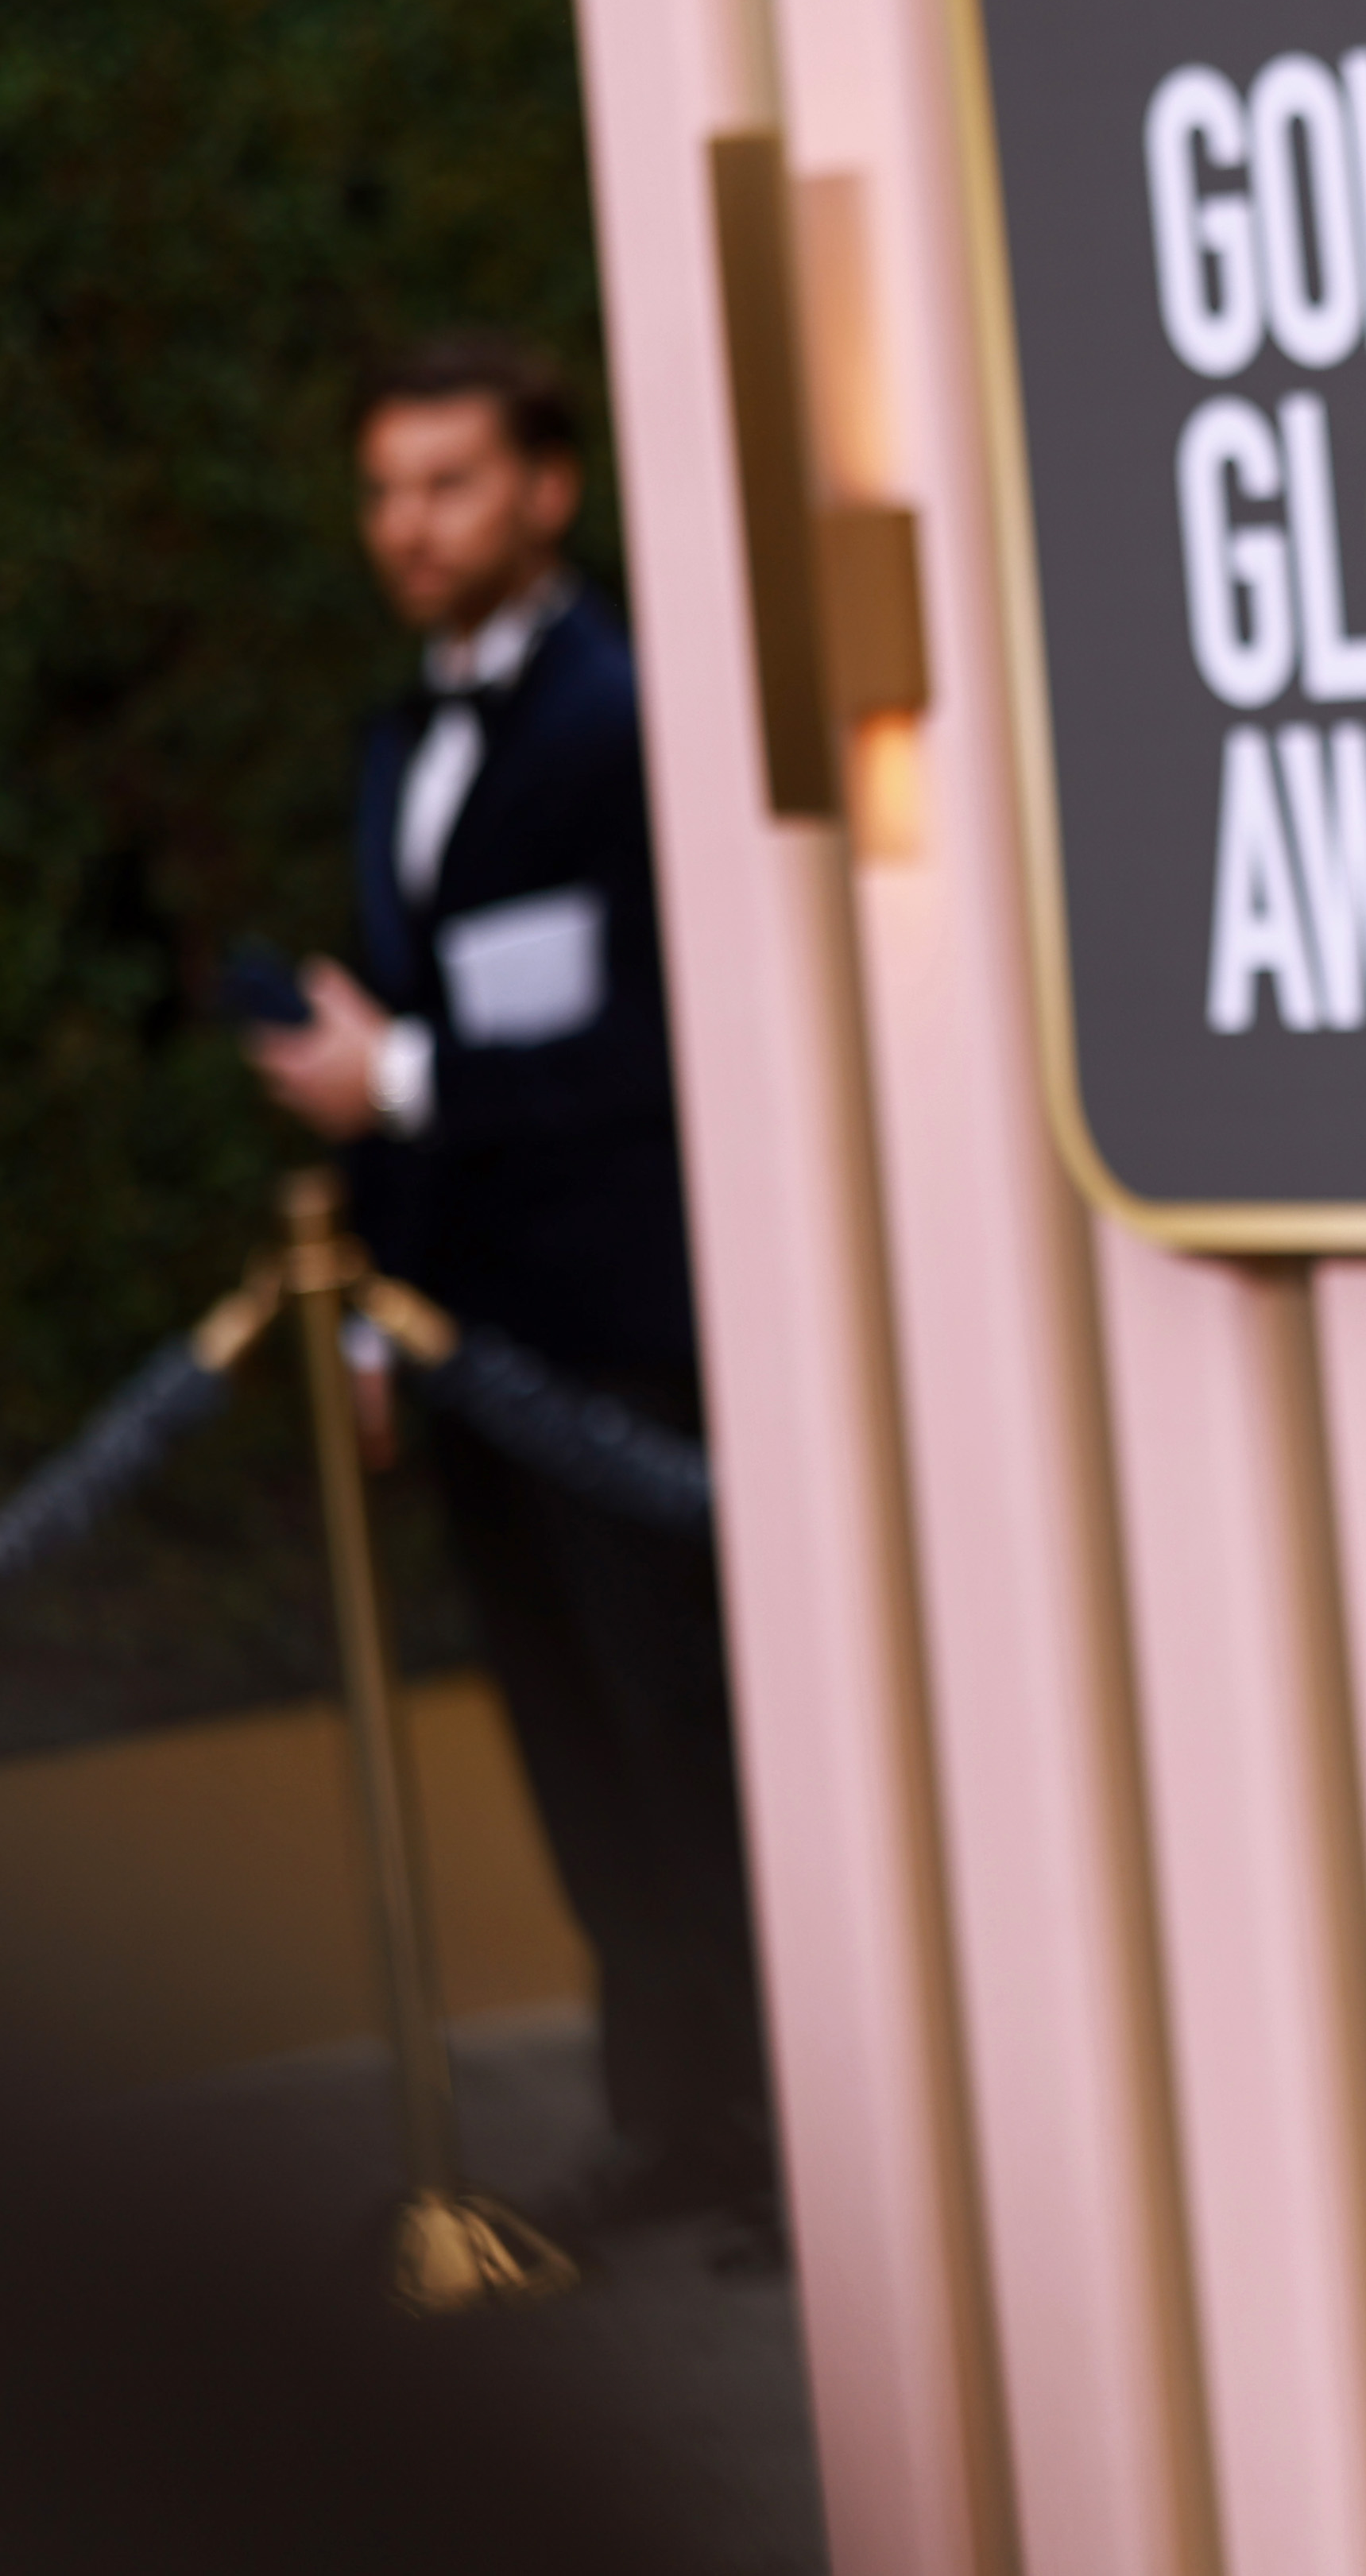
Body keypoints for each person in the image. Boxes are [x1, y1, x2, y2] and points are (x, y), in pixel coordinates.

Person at [247, 334, 775, 2245]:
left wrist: (393, 1081)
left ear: (549, 489)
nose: (411, 526)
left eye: (450, 483)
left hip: (626, 1335)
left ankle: (798, 2146)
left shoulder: (630, 714)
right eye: (385, 490)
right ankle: (674, 2124)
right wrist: (381, 1310)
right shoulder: (399, 738)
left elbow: (661, 1039)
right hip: (473, 1341)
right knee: (567, 1741)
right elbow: (419, 1039)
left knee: (688, 1736)